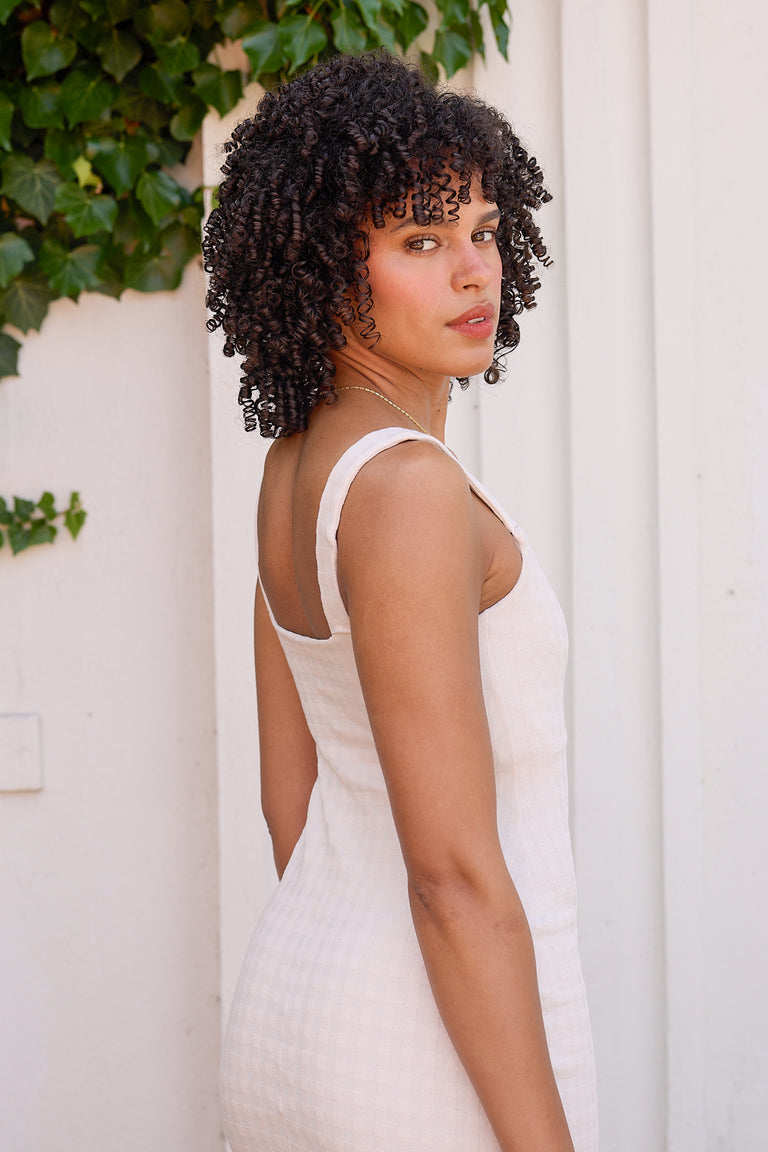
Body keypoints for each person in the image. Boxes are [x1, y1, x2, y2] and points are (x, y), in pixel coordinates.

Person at [203, 50, 598, 1152]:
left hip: (302, 1002)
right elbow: (455, 877)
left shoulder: (298, 468)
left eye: (484, 230)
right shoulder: (410, 490)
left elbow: (291, 803)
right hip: (423, 1053)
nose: (474, 272)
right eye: (421, 241)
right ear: (324, 266)